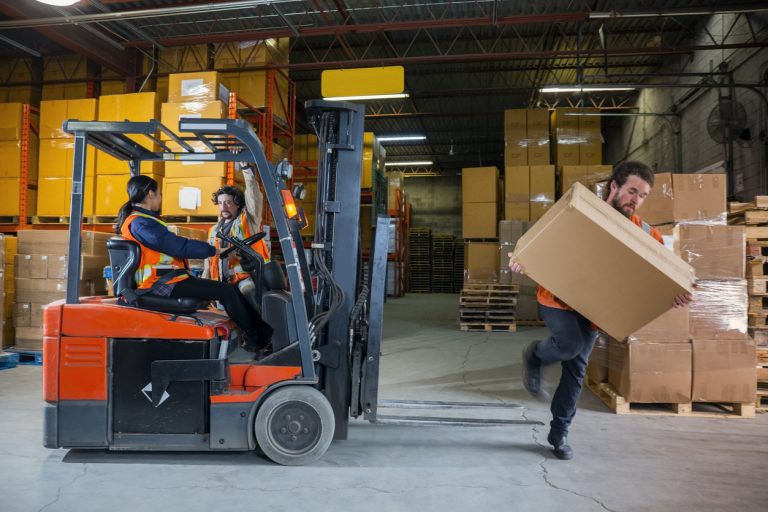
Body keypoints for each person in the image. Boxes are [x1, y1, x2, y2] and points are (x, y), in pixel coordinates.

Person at [509, 161, 693, 461]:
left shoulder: (648, 236)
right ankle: (535, 356)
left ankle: (559, 433)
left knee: (576, 371)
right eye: (632, 191)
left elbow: (666, 279)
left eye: (643, 195)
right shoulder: (580, 214)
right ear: (614, 187)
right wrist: (521, 259)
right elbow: (540, 243)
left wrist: (674, 295)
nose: (636, 200)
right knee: (570, 344)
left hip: (596, 310)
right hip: (559, 300)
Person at [115, 175, 272, 351]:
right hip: (161, 283)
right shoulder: (141, 223)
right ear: (150, 194)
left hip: (168, 279)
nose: (160, 198)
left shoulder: (142, 221)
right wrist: (212, 250)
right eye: (159, 194)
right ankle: (259, 337)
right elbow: (175, 246)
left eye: (229, 202)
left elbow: (171, 243)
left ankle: (258, 335)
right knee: (227, 291)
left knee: (233, 291)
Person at [203, 164, 270, 311]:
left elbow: (254, 197)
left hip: (246, 278)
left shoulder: (248, 220)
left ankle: (264, 330)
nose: (223, 207)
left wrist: (246, 169)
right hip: (222, 283)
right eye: (220, 203)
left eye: (228, 202)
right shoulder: (213, 231)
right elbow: (208, 264)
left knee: (252, 295)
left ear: (238, 204)